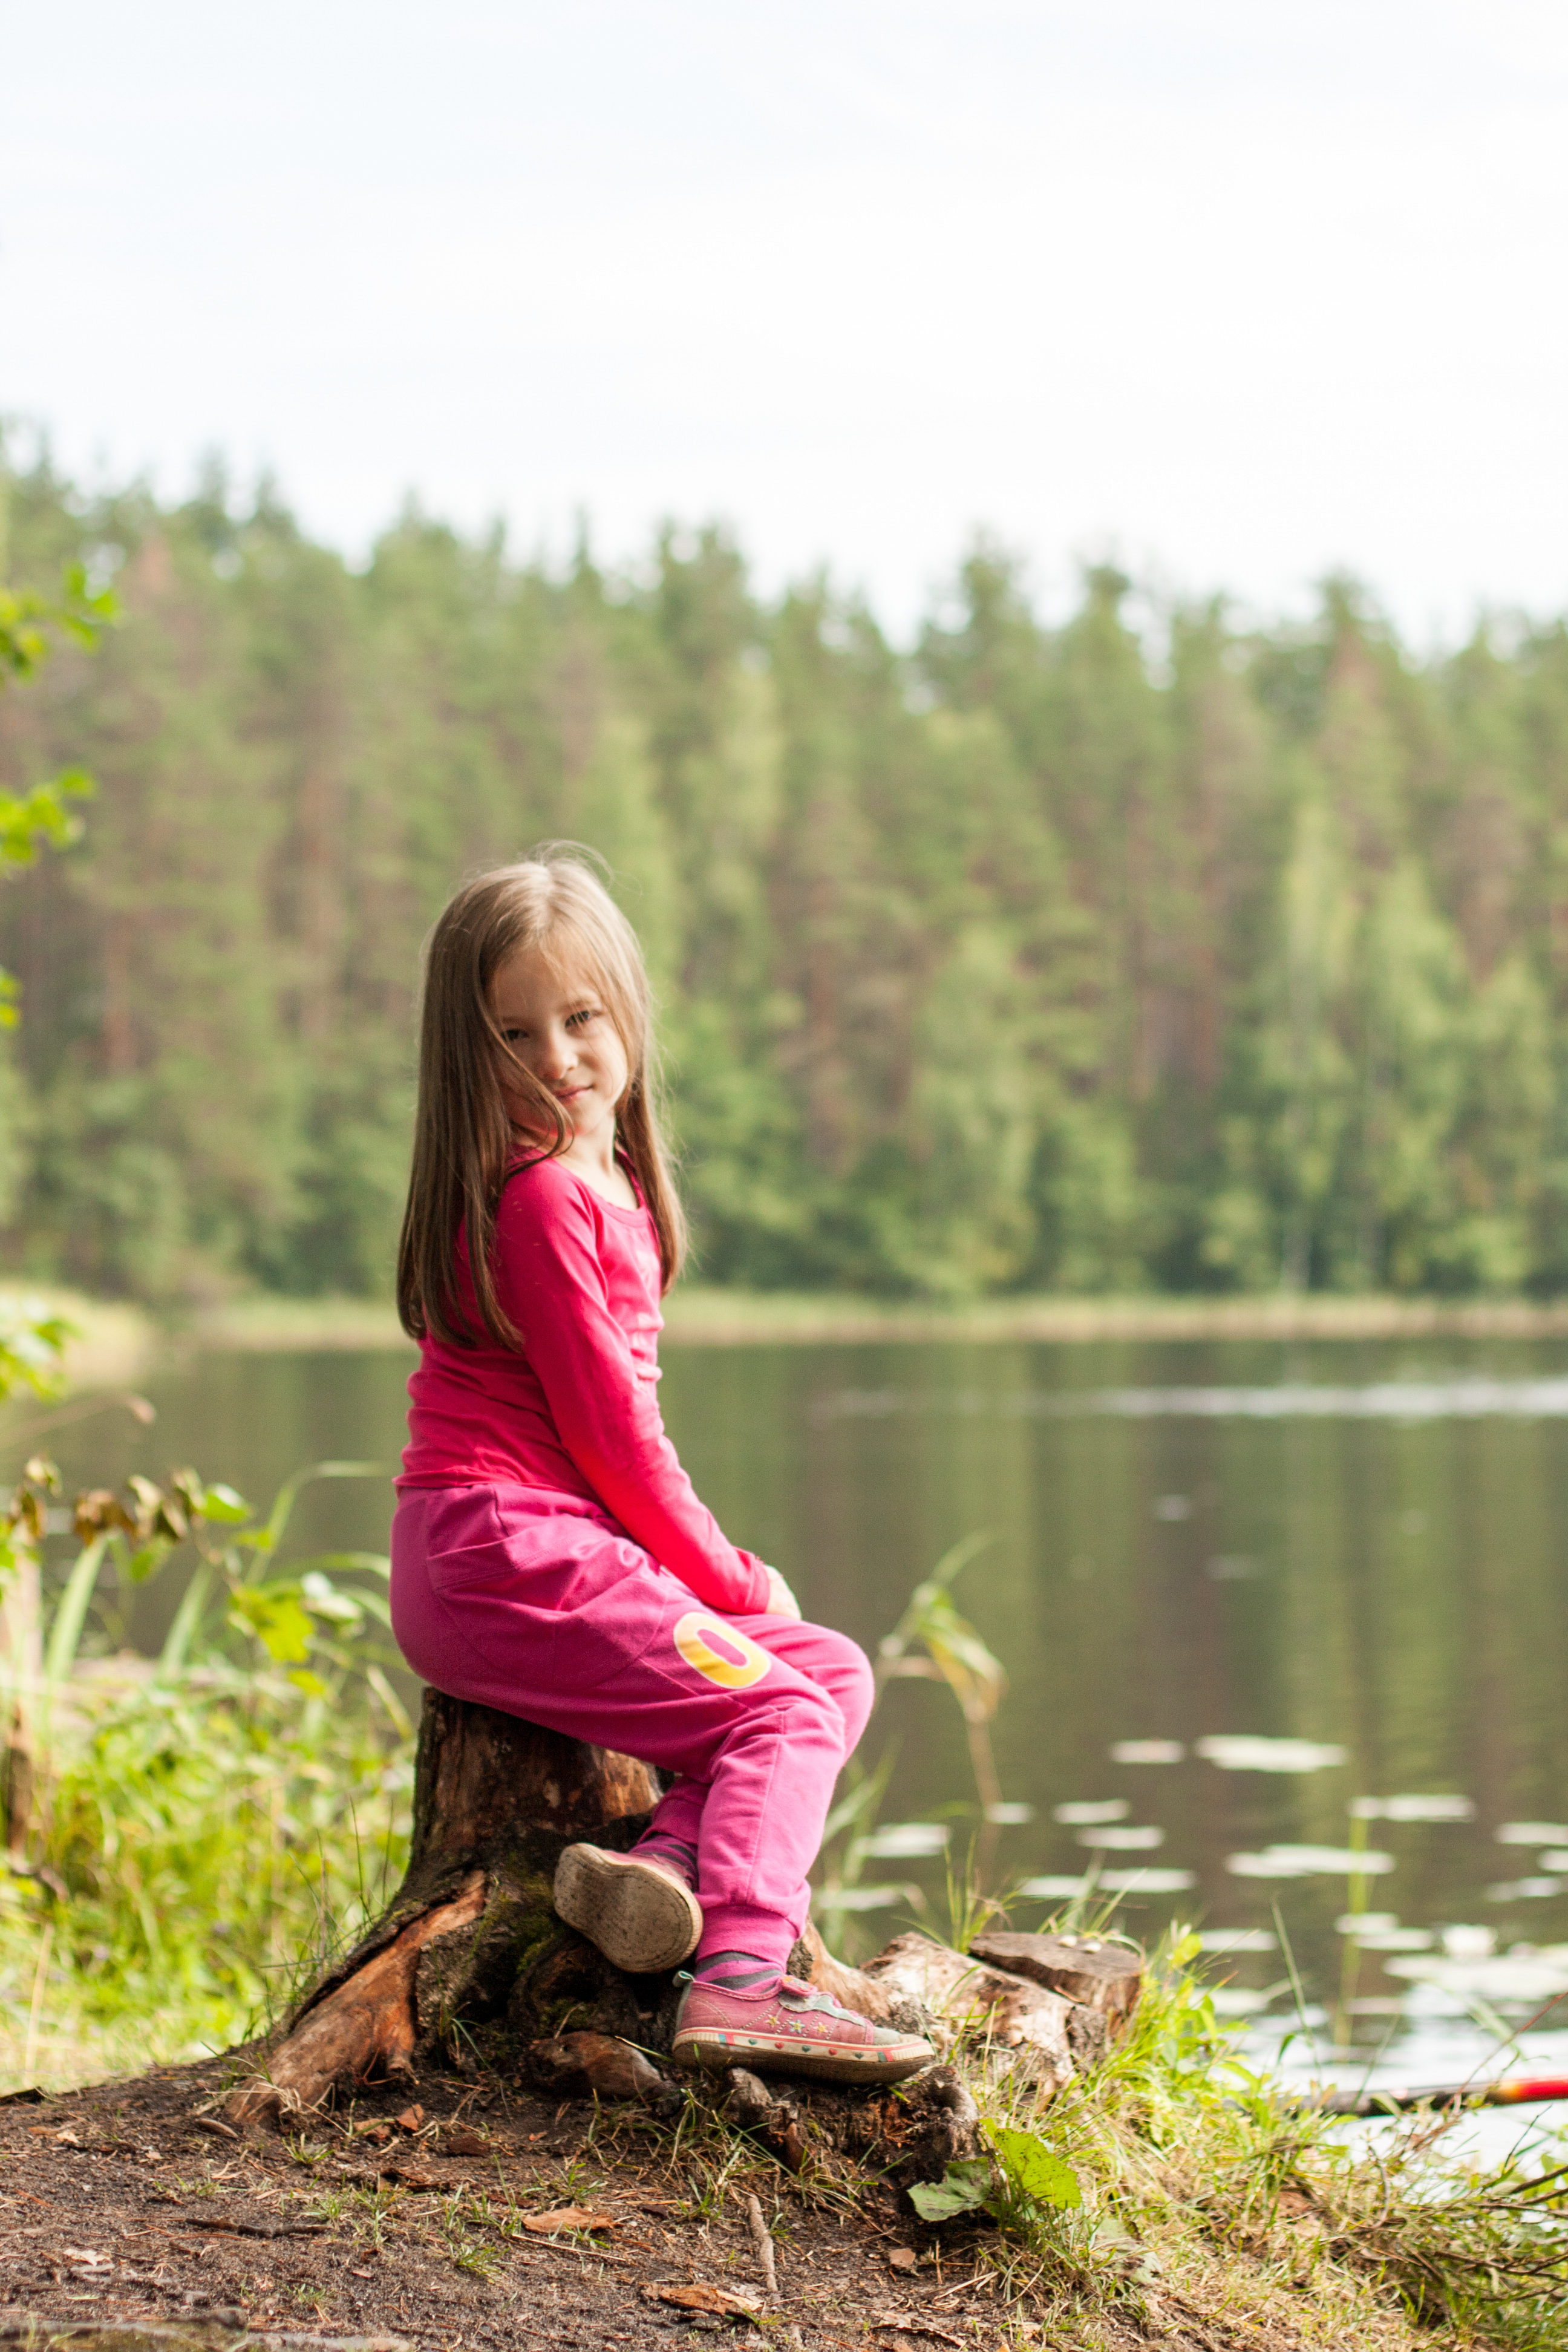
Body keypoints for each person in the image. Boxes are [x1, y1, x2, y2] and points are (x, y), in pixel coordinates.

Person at [388, 851, 932, 2085]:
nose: (558, 1057)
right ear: (468, 1052)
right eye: (515, 1033)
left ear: (628, 1012)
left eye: (582, 1017)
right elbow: (615, 1444)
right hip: (504, 1550)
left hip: (521, 1551)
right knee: (784, 1707)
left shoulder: (600, 1184)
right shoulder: (542, 1202)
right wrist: (732, 1580)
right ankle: (743, 1980)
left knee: (829, 1671)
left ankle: (667, 1875)